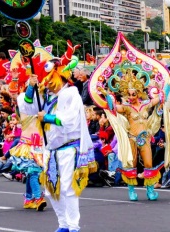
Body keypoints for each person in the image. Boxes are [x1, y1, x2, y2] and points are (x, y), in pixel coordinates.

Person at [25, 43, 96, 232]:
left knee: (68, 189)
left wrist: (47, 117)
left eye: (49, 79)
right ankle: (63, 224)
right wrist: (31, 88)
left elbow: (71, 120)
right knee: (50, 190)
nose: (46, 83)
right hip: (51, 150)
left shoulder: (71, 93)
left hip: (69, 147)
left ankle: (73, 227)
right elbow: (29, 108)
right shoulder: (46, 96)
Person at [99, 69, 164, 201]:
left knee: (148, 164)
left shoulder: (146, 105)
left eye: (133, 94)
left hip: (144, 139)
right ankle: (131, 190)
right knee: (131, 164)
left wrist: (165, 84)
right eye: (129, 94)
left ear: (139, 93)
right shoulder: (126, 108)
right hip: (132, 139)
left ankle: (150, 191)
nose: (131, 97)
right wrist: (105, 94)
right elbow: (113, 108)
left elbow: (160, 98)